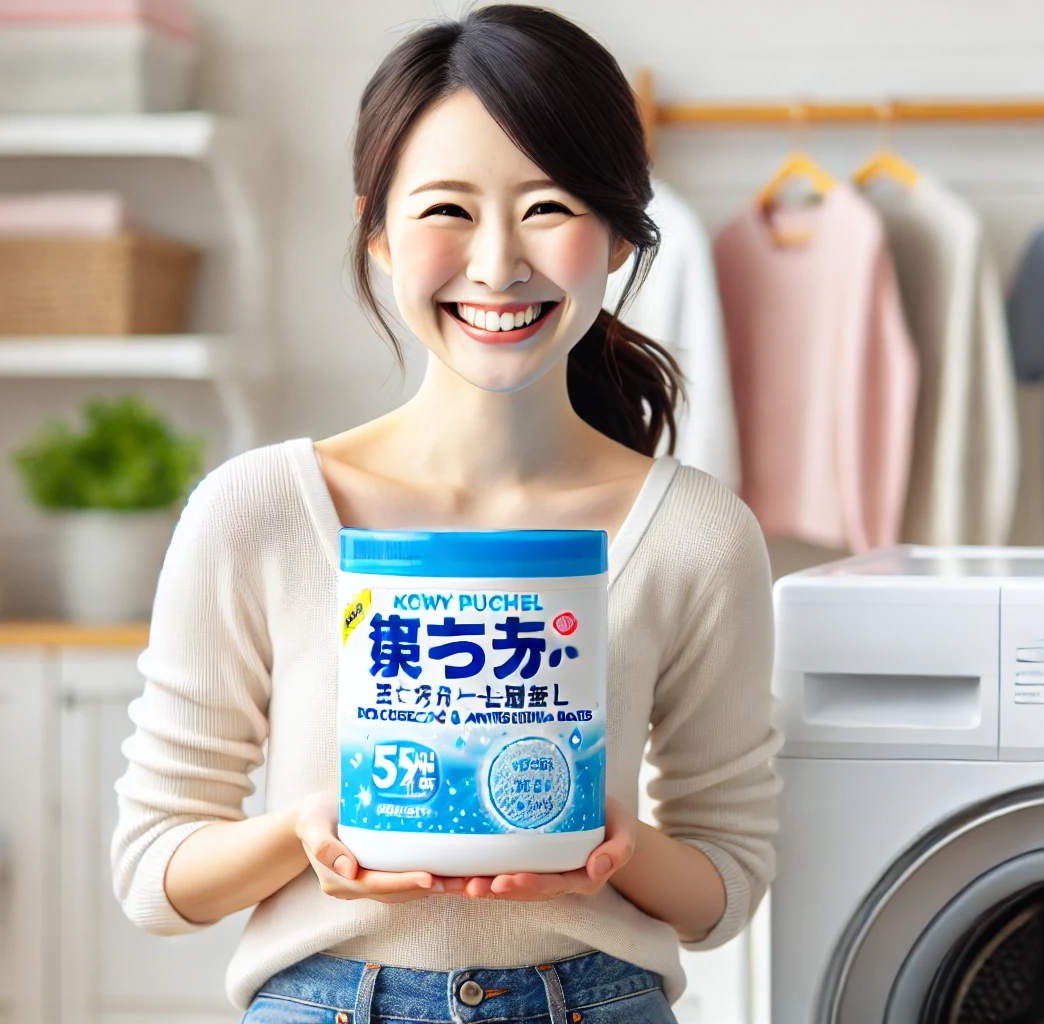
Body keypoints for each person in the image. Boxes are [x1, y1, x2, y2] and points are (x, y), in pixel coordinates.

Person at [110, 7, 780, 1023]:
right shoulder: (259, 511)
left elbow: (727, 883)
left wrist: (612, 853)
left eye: (549, 205)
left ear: (618, 234)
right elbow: (152, 872)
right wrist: (307, 832)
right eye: (447, 210)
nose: (498, 262)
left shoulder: (696, 533)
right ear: (376, 233)